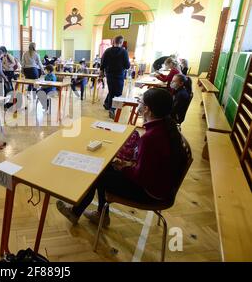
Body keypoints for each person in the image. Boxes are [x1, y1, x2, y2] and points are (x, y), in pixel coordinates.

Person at [56, 88, 188, 226]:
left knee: (99, 175)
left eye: (141, 102)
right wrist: (126, 165)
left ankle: (80, 213)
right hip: (158, 185)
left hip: (149, 192)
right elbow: (149, 166)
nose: (139, 105)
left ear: (148, 109)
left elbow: (141, 176)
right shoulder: (165, 127)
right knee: (105, 168)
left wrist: (123, 168)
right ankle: (97, 214)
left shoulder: (151, 137)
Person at [102, 35, 130, 118]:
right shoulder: (124, 52)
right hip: (119, 75)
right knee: (117, 93)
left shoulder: (107, 51)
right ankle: (112, 109)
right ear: (121, 43)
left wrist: (101, 71)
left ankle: (106, 104)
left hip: (109, 74)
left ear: (113, 42)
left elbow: (103, 62)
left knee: (111, 90)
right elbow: (127, 66)